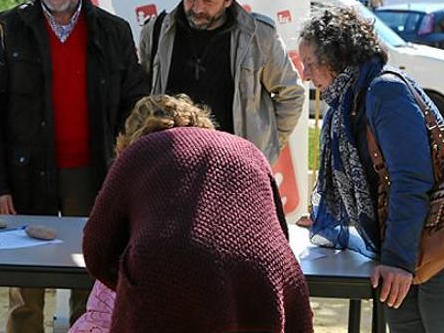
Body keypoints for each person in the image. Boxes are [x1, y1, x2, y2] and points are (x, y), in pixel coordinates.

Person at [0, 0, 149, 332]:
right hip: (23, 176)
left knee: (94, 277)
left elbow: (134, 110)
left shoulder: (114, 32)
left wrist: (131, 179)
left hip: (96, 176)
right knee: (24, 289)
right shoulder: (5, 29)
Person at [299, 5, 444, 332]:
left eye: (310, 63)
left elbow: (411, 180)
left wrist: (396, 261)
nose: (305, 75)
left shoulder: (384, 91)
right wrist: (335, 217)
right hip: (411, 251)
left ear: (336, 58)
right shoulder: (350, 101)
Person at [80, 94, 314, 332]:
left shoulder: (138, 151)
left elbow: (96, 247)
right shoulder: (248, 150)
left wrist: (127, 279)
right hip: (266, 271)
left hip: (167, 266)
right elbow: (278, 230)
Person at [139, 0, 305, 165]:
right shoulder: (156, 31)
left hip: (234, 167)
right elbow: (142, 95)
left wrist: (264, 148)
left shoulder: (259, 36)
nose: (197, 8)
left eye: (209, 0)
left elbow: (291, 94)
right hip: (169, 164)